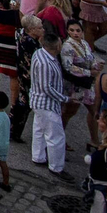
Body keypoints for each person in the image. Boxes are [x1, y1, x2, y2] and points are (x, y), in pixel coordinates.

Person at [31, 26, 72, 180]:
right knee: (56, 136)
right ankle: (56, 167)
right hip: (46, 103)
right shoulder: (46, 63)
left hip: (39, 101)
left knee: (39, 130)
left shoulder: (40, 54)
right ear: (56, 47)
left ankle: (39, 156)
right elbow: (47, 87)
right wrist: (65, 99)